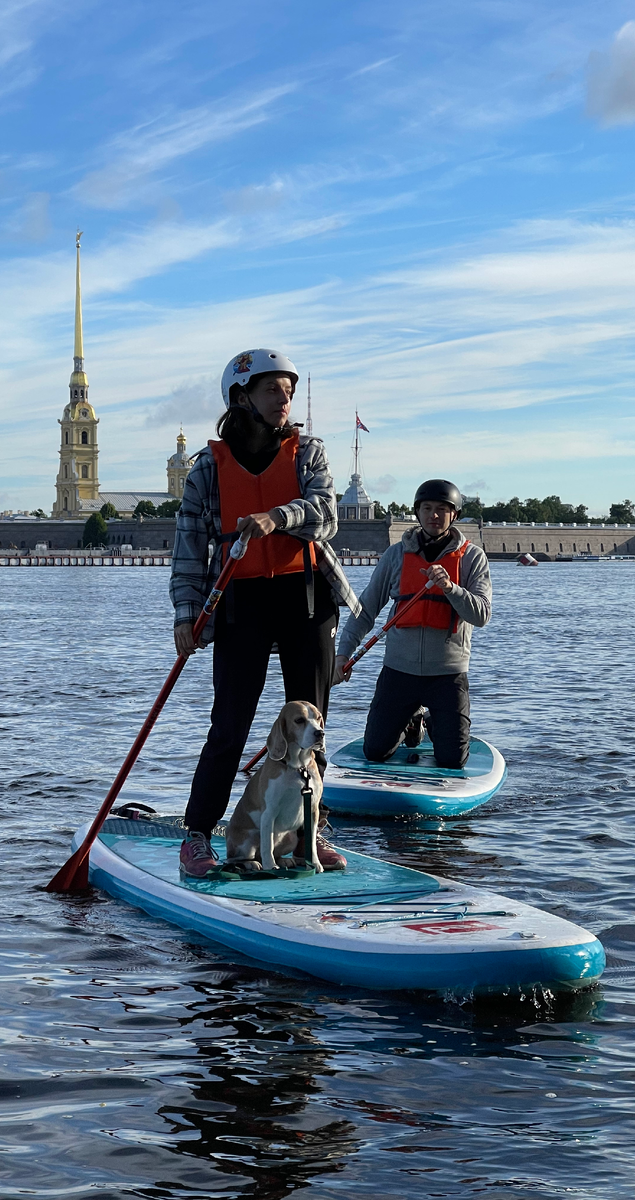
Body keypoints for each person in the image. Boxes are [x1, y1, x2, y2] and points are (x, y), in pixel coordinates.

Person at [171, 349, 361, 878]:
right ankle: (197, 835)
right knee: (228, 727)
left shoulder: (309, 453)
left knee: (311, 725)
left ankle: (310, 831)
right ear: (241, 396)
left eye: (290, 391)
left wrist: (277, 517)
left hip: (306, 600)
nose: (285, 401)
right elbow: (189, 548)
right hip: (241, 603)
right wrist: (187, 615)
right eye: (274, 390)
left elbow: (325, 515)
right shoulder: (207, 468)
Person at [334, 479, 491, 768]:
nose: (434, 515)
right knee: (376, 752)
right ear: (417, 512)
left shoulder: (472, 558)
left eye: (442, 510)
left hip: (447, 675)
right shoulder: (395, 555)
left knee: (452, 761)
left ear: (453, 514)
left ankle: (430, 718)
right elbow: (365, 610)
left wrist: (451, 588)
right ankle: (411, 720)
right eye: (427, 508)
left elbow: (481, 615)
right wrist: (343, 653)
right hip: (399, 671)